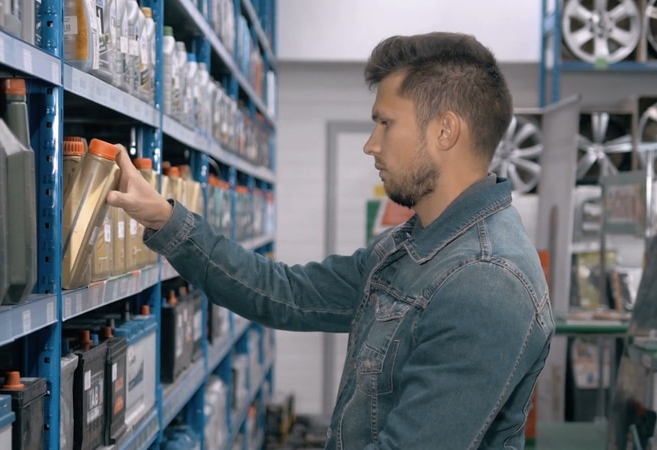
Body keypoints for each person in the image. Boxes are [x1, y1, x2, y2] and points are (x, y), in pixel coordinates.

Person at [107, 31, 555, 450]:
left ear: (445, 131)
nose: (371, 144)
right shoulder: (410, 246)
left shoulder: (486, 281)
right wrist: (166, 219)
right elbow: (286, 293)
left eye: (385, 123)